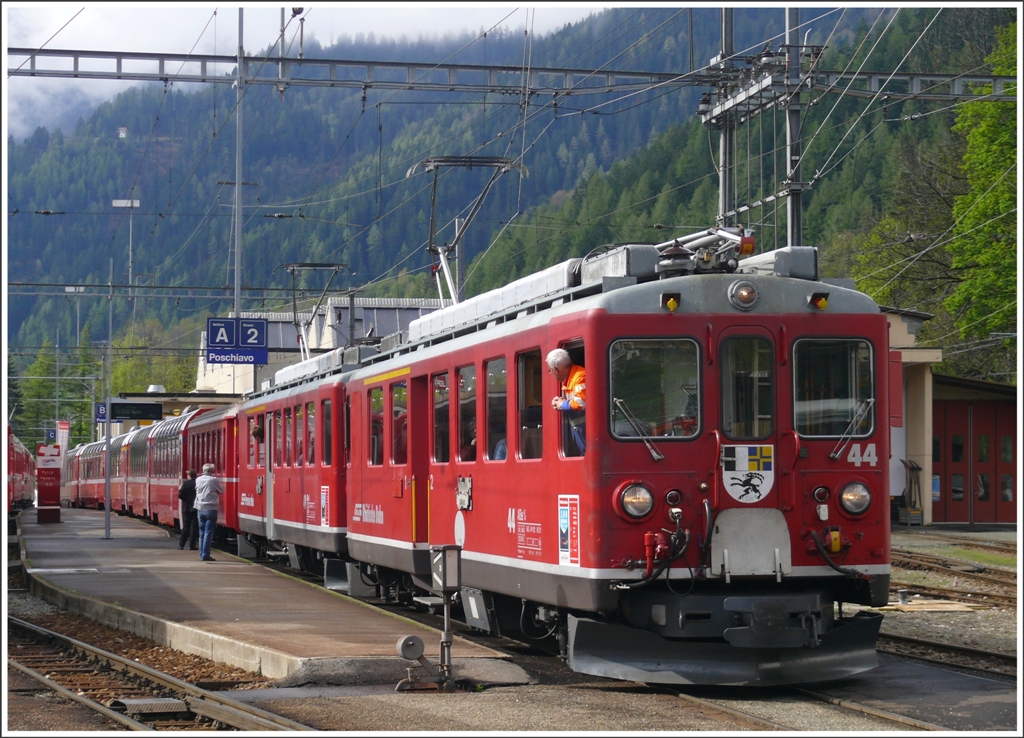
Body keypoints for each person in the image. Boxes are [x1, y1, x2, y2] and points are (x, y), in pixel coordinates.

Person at [547, 348, 586, 455]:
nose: (551, 373)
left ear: (556, 370)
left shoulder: (580, 377)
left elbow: (580, 402)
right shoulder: (570, 379)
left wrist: (562, 404)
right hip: (580, 432)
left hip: (587, 434)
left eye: (550, 370)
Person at [194, 463, 224, 561]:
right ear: (212, 471)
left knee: (201, 532)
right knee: (208, 532)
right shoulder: (213, 480)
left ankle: (201, 553)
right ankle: (205, 555)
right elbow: (221, 490)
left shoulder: (197, 480)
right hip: (211, 508)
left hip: (200, 508)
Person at [177, 469, 198, 550]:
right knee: (194, 527)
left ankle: (181, 545)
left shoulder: (185, 483)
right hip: (196, 507)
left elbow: (180, 495)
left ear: (189, 475)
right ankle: (192, 545)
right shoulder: (197, 483)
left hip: (187, 507)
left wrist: (186, 500)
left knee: (186, 526)